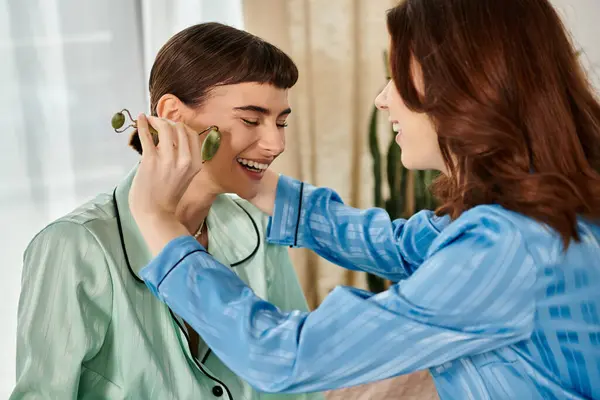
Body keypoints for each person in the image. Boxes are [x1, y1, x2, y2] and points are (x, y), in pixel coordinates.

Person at [129, 0, 600, 399]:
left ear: (461, 89)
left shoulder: (508, 247)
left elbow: (284, 355)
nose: (382, 99)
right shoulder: (540, 208)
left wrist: (157, 221)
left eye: (397, 78)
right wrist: (256, 181)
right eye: (252, 121)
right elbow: (397, 246)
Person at [11, 22, 325, 400]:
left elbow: (298, 380)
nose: (276, 143)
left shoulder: (259, 230)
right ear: (173, 114)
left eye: (281, 122)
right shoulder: (74, 246)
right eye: (251, 120)